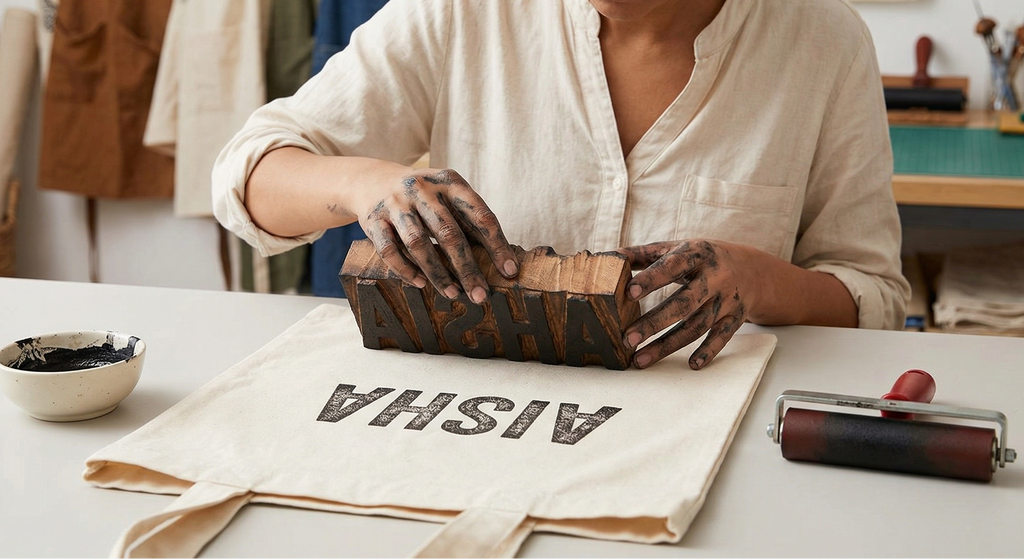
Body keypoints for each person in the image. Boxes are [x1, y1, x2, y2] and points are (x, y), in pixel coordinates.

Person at [212, 0, 910, 370]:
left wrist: (759, 281)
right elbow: (246, 175)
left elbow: (873, 295)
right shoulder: (463, 13)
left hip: (716, 457)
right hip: (478, 442)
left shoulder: (824, 40)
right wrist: (367, 183)